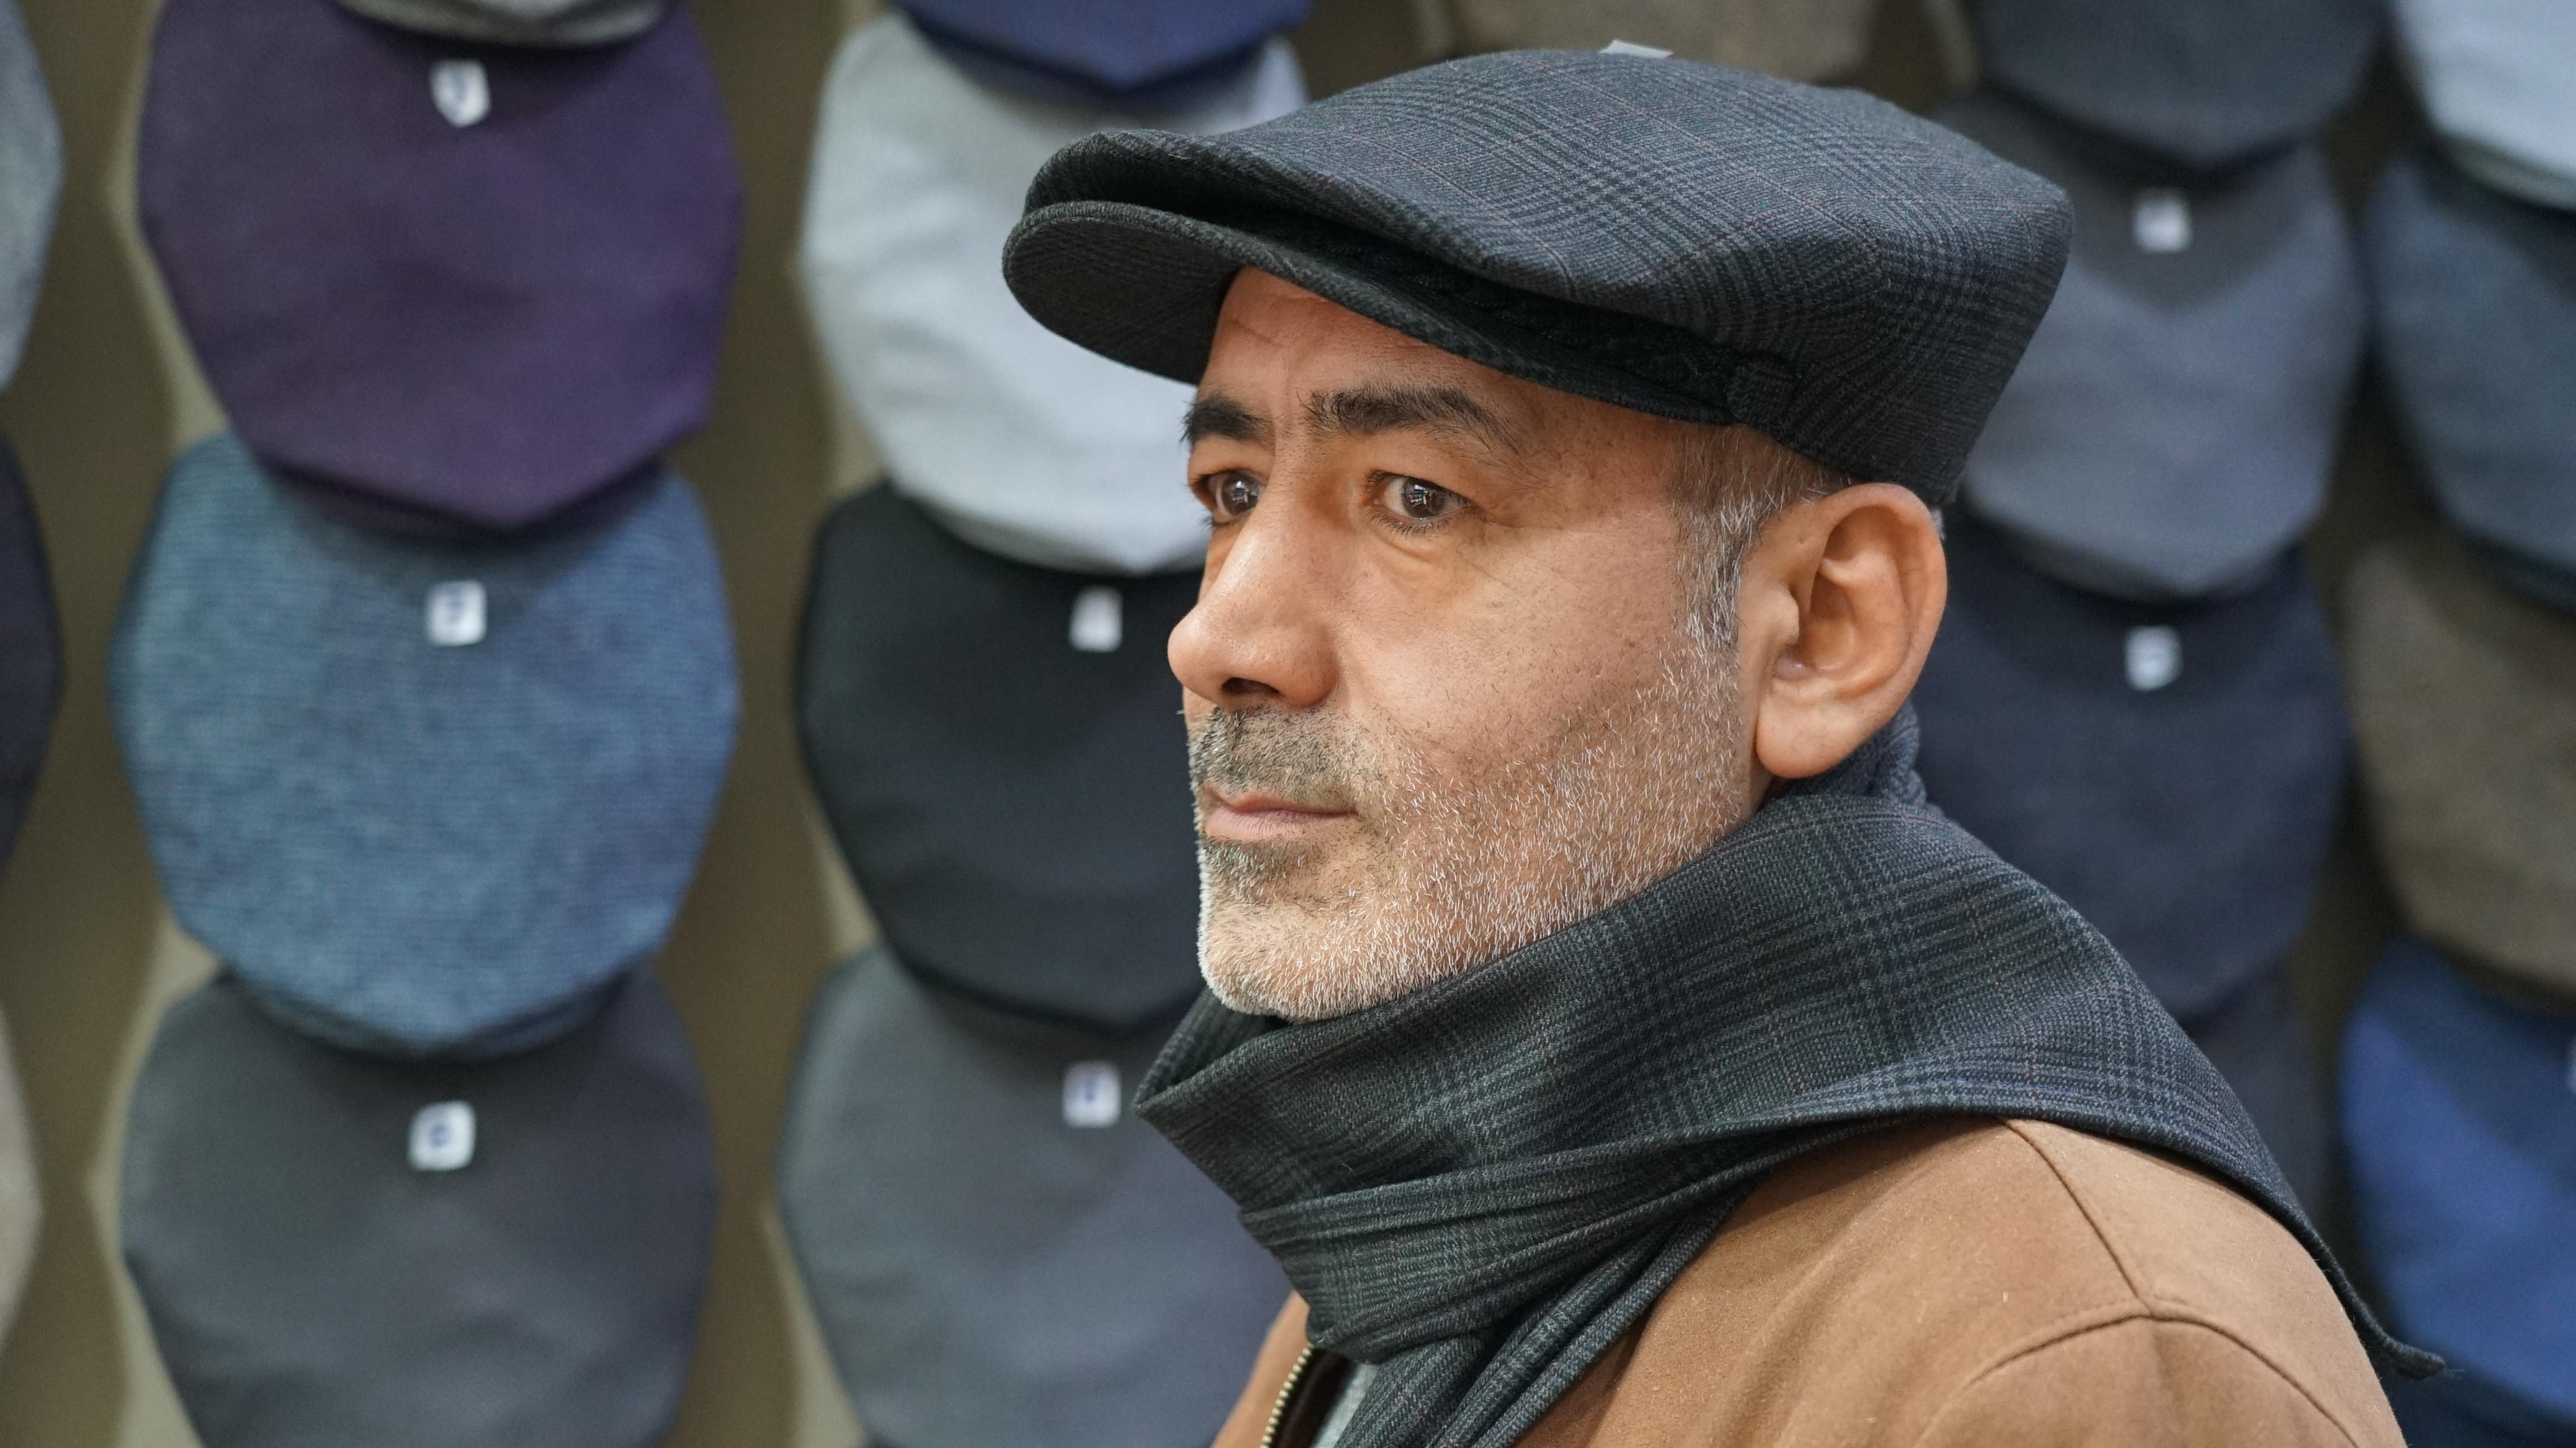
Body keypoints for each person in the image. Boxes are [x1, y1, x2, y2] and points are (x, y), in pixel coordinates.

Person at [1002, 48, 2429, 1448]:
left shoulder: (2073, 1367)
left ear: (1820, 628)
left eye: (1415, 498)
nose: (1218, 636)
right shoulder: (1441, 1217)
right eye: (1231, 488)